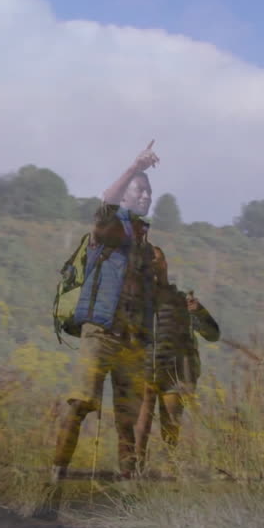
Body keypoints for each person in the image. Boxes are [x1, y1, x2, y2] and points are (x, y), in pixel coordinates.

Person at [50, 143, 162, 482]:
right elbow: (106, 201)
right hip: (99, 333)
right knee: (81, 403)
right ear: (125, 197)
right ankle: (55, 479)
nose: (144, 196)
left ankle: (128, 493)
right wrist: (133, 167)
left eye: (148, 191)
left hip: (134, 340)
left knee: (129, 416)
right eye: (138, 190)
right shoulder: (108, 228)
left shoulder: (147, 245)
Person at [134, 245, 221, 472]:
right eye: (147, 263)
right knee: (138, 431)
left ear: (164, 266)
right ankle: (134, 476)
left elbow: (212, 334)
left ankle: (167, 474)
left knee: (171, 430)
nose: (152, 267)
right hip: (142, 373)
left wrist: (198, 311)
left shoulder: (181, 301)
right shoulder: (133, 300)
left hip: (175, 375)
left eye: (156, 262)